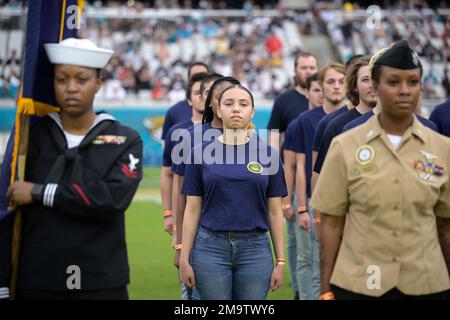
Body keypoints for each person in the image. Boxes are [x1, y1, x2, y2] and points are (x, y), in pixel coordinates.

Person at [0, 38, 143, 300]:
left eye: (82, 79)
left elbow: (110, 199)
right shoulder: (28, 138)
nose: (71, 88)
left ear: (98, 83)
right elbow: (6, 209)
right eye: (62, 79)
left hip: (101, 279)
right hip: (37, 278)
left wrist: (38, 193)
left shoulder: (125, 139)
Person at [311, 39, 450, 300]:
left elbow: (445, 225)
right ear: (375, 86)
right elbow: (332, 224)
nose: (405, 90)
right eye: (394, 82)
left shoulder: (441, 147)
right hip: (361, 282)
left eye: (413, 82)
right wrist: (327, 291)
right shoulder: (346, 142)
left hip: (426, 282)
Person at [179, 84, 287, 300]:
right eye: (228, 104)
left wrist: (281, 261)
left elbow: (275, 212)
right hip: (210, 248)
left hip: (255, 250)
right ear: (219, 111)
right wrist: (183, 257)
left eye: (243, 104)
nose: (236, 109)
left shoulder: (269, 155)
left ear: (252, 112)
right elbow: (192, 209)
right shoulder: (198, 153)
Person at [291, 63, 346, 300]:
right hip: (317, 199)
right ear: (321, 87)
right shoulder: (308, 120)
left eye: (342, 81)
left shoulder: (356, 119)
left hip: (346, 202)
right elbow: (303, 167)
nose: (336, 87)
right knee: (313, 260)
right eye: (331, 81)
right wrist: (303, 207)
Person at [282, 73, 323, 300]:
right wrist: (289, 201)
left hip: (330, 198)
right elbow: (293, 166)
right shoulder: (299, 124)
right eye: (316, 90)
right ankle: (302, 293)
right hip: (305, 196)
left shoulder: (340, 119)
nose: (321, 94)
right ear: (307, 92)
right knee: (305, 254)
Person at [159, 62, 209, 236]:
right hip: (186, 207)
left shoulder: (227, 130)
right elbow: (169, 172)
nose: (202, 96)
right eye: (197, 92)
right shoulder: (176, 124)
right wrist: (169, 213)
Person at [313, 56, 377, 176]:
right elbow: (319, 175)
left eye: (375, 79)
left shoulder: (395, 125)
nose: (371, 85)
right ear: (354, 86)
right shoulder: (336, 126)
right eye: (365, 80)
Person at [267, 52, 318, 149]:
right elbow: (273, 138)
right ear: (295, 71)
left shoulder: (325, 99)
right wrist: (274, 162)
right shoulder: (282, 100)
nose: (308, 72)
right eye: (303, 68)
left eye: (312, 68)